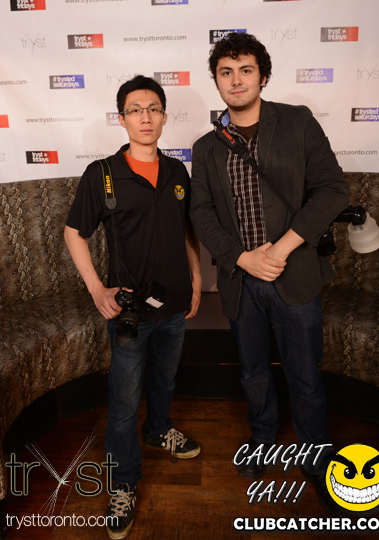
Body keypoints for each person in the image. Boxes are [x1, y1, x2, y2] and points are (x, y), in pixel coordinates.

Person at [190, 32, 349, 508]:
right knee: (253, 372)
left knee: (305, 375)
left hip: (294, 275)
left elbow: (332, 190)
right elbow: (202, 214)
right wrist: (243, 258)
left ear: (262, 76)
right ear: (217, 81)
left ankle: (316, 454)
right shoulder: (206, 146)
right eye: (226, 72)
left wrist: (279, 249)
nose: (236, 80)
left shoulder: (296, 122)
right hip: (241, 282)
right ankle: (262, 437)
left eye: (245, 70)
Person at [64, 75, 201, 539]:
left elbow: (187, 230)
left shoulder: (178, 172)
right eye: (136, 110)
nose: (146, 117)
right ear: (122, 118)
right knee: (124, 402)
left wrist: (196, 277)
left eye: (154, 108)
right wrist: (96, 289)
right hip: (129, 312)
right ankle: (123, 482)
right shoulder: (102, 174)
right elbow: (73, 232)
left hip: (175, 305)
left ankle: (159, 428)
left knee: (164, 379)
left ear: (164, 116)